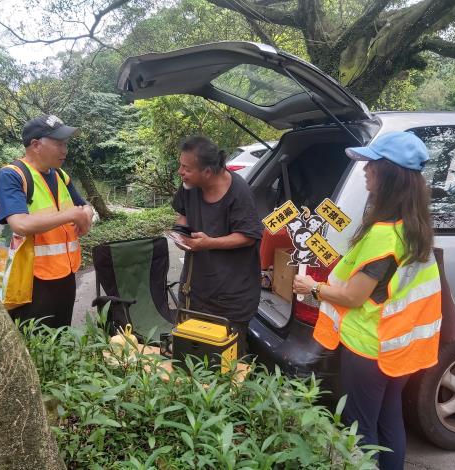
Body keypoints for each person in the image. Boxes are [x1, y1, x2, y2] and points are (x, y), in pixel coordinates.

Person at [292, 131, 441, 470]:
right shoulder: (415, 228)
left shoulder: (382, 235)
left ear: (388, 175)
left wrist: (310, 287)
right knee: (390, 421)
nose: (365, 171)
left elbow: (352, 296)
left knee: (360, 430)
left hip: (368, 349)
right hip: (396, 348)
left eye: (371, 165)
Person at [0, 114, 94, 328]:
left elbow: (84, 206)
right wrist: (71, 215)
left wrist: (86, 215)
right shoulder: (11, 175)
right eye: (58, 143)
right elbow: (19, 224)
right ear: (36, 145)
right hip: (30, 282)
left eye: (66, 143)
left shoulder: (60, 175)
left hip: (65, 274)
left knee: (62, 339)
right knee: (36, 348)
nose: (65, 150)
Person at [171, 136, 262, 356]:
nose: (180, 172)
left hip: (231, 294)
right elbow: (183, 215)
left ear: (208, 172)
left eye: (186, 168)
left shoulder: (238, 192)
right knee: (190, 352)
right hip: (194, 288)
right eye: (180, 165)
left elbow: (248, 236)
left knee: (227, 359)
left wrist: (209, 243)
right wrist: (180, 234)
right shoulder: (189, 186)